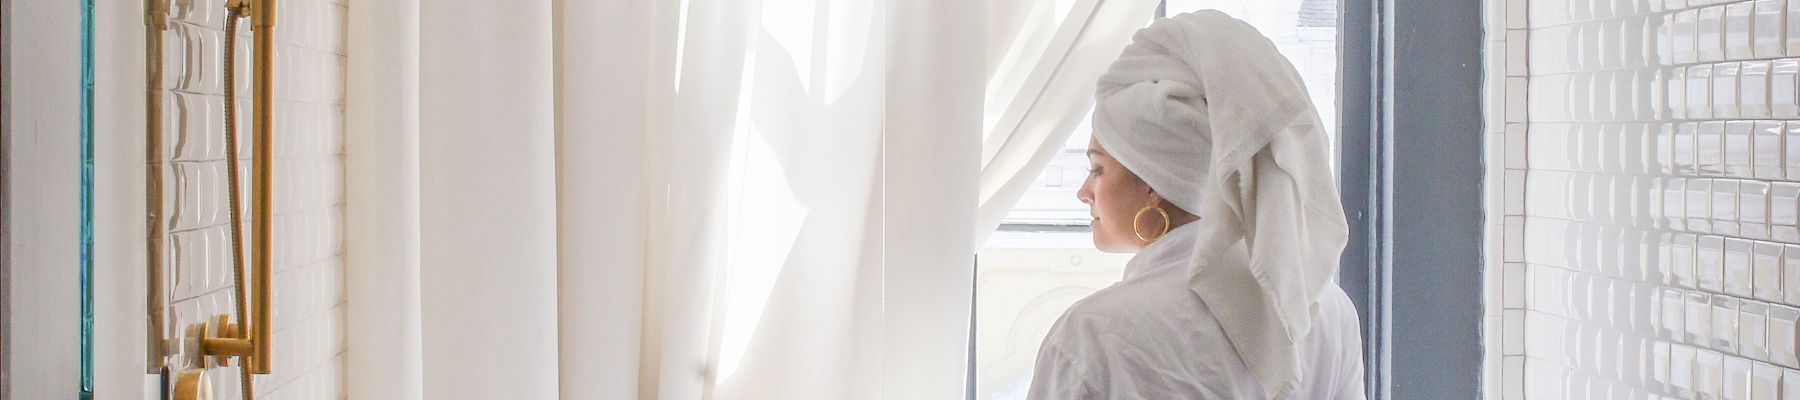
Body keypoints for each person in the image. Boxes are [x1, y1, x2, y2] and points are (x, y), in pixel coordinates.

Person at [1026, 10, 1366, 400]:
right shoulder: (1323, 310)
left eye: (1097, 169)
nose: (1084, 192)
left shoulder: (1092, 336)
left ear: (1152, 182)